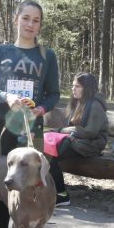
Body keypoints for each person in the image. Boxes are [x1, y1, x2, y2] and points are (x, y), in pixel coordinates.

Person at [0, 0, 60, 228]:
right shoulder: (0, 52)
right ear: (16, 19)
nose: (30, 24)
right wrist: (5, 96)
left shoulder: (47, 56)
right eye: (26, 18)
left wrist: (41, 109)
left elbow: (53, 93)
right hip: (4, 128)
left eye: (36, 20)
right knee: (7, 185)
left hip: (30, 130)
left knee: (31, 185)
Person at [45, 72, 108, 206]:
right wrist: (66, 133)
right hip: (77, 141)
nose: (73, 89)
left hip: (92, 145)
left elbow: (90, 132)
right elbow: (72, 127)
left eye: (77, 86)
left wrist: (64, 132)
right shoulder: (78, 103)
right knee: (49, 154)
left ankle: (62, 195)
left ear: (87, 88)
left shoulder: (95, 105)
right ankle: (53, 192)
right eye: (73, 86)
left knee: (52, 156)